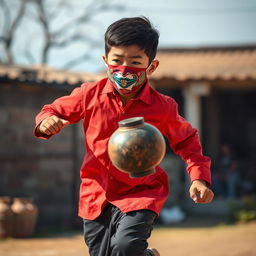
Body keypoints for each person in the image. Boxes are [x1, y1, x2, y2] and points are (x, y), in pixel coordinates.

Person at [34, 17, 214, 256]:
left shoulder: (163, 107)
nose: (124, 69)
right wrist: (46, 121)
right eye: (117, 60)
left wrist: (199, 178)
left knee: (126, 247)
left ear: (151, 67)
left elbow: (187, 140)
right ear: (105, 60)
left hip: (141, 192)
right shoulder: (89, 95)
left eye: (135, 61)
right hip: (96, 194)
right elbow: (52, 110)